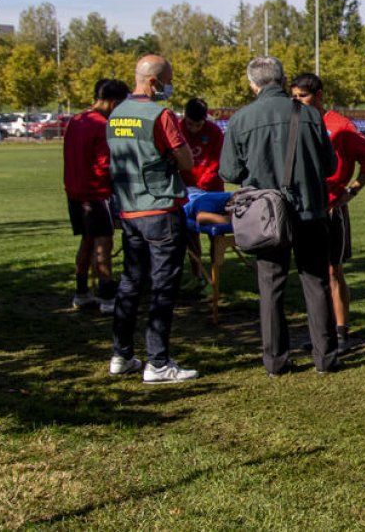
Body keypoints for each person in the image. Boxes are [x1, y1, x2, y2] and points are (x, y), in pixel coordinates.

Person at [219, 57, 340, 376]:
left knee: (270, 286)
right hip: (310, 211)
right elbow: (330, 166)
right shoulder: (311, 115)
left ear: (252, 84)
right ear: (284, 80)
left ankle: (275, 361)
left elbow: (229, 171)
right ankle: (325, 357)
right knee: (316, 283)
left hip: (266, 214)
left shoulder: (241, 119)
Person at [106, 55, 198, 383]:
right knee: (162, 286)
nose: (170, 87)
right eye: (169, 80)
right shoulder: (160, 114)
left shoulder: (116, 113)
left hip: (129, 209)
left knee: (130, 283)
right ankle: (158, 362)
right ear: (155, 82)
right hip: (159, 208)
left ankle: (122, 354)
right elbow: (186, 159)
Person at [290, 72, 365, 352]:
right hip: (301, 208)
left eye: (302, 96)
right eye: (293, 97)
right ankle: (321, 332)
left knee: (332, 270)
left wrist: (351, 191)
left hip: (331, 209)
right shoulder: (293, 123)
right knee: (310, 272)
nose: (297, 102)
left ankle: (341, 334)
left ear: (318, 95)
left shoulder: (339, 126)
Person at [64, 78, 130, 314]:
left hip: (74, 191)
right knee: (104, 242)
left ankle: (81, 292)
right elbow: (105, 165)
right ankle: (107, 296)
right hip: (96, 193)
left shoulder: (76, 120)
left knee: (87, 240)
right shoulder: (101, 125)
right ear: (113, 103)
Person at [179, 97, 224, 294]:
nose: (194, 128)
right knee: (190, 232)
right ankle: (197, 275)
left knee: (216, 233)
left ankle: (215, 277)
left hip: (211, 190)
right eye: (190, 124)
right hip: (186, 191)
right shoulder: (177, 130)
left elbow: (217, 162)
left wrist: (202, 186)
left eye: (198, 124)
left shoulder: (214, 132)